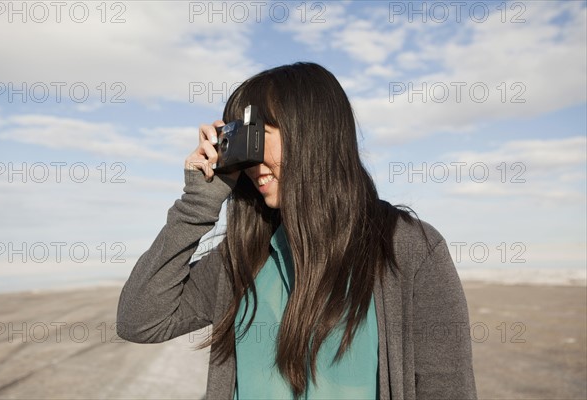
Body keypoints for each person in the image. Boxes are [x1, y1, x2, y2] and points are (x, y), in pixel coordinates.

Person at [117, 62, 477, 400]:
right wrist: (198, 203)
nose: (249, 159)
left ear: (312, 134)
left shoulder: (409, 250)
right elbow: (140, 320)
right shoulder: (245, 255)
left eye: (257, 136)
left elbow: (446, 388)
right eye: (239, 140)